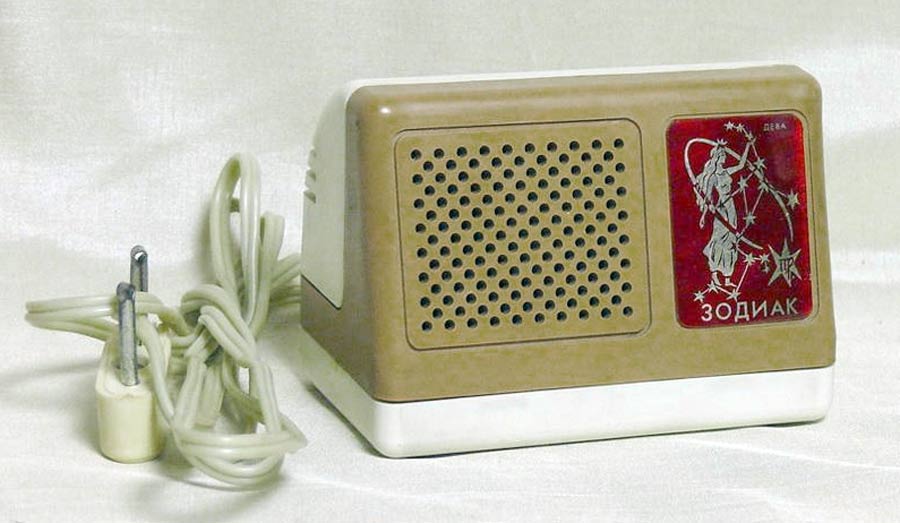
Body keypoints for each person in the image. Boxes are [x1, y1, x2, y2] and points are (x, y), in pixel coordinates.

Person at [695, 139, 751, 288]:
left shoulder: (726, 172)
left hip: (731, 208)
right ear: (718, 157)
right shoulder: (713, 177)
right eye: (723, 155)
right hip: (722, 209)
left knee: (731, 241)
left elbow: (741, 165)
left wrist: (748, 145)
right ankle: (714, 273)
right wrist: (704, 215)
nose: (726, 157)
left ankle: (727, 277)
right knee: (718, 240)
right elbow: (708, 197)